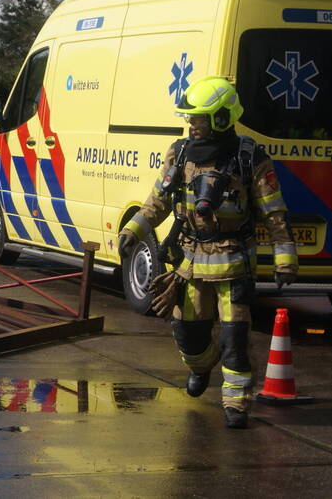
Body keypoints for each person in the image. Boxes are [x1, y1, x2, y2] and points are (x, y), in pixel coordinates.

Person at [117, 76, 298, 429]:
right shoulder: (179, 153)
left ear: (220, 118)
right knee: (189, 335)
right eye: (190, 118)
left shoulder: (250, 157)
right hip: (190, 261)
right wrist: (132, 231)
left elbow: (274, 212)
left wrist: (285, 257)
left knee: (235, 337)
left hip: (234, 262)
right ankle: (201, 367)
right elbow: (158, 202)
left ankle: (236, 402)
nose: (191, 125)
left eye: (198, 118)